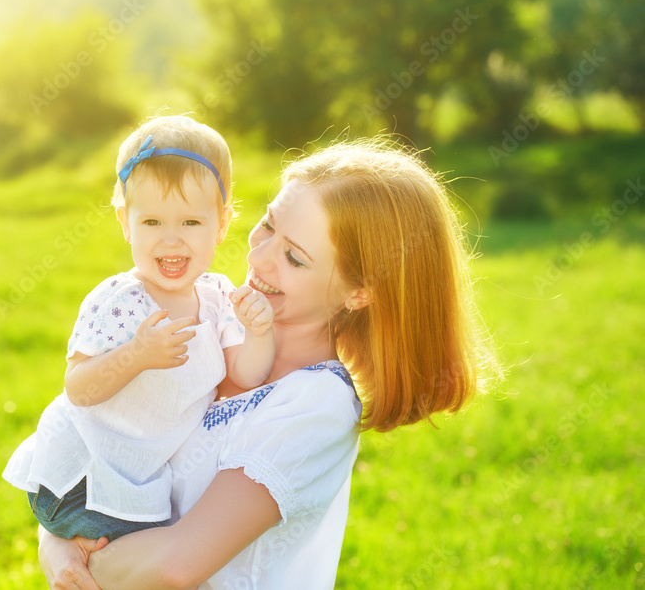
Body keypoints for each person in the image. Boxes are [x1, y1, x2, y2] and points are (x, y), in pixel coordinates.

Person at [37, 136, 498, 589]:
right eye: (268, 225)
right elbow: (92, 442)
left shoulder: (317, 404)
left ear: (360, 293)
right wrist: (53, 535)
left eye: (294, 258)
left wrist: (71, 557)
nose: (257, 256)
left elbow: (175, 566)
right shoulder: (208, 336)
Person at [3, 115, 277, 543]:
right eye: (152, 223)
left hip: (135, 480)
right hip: (83, 479)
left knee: (168, 554)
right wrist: (136, 355)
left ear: (221, 224)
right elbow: (79, 389)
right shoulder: (119, 301)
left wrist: (259, 332)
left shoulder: (218, 297)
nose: (171, 240)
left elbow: (244, 374)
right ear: (124, 221)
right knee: (161, 560)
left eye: (190, 223)